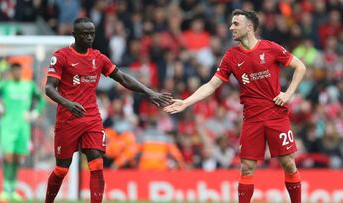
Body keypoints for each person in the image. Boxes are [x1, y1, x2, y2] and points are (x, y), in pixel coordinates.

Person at [164, 9, 306, 203]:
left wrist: (287, 94)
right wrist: (186, 102)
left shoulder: (270, 48)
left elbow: (300, 66)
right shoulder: (231, 56)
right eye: (231, 24)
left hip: (276, 115)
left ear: (249, 27)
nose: (231, 27)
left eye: (236, 24)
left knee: (289, 164)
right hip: (251, 118)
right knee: (247, 168)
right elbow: (212, 85)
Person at [44, 17, 172, 203]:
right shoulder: (62, 56)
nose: (89, 37)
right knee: (62, 169)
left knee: (96, 163)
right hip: (68, 118)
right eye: (85, 34)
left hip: (92, 118)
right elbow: (49, 88)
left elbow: (122, 78)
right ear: (74, 35)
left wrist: (150, 93)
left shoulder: (98, 58)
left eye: (92, 34)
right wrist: (68, 103)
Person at [0, 63, 46, 201]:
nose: (17, 73)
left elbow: (41, 99)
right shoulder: (5, 85)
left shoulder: (28, 86)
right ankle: (6, 189)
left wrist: (34, 113)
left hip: (23, 127)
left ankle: (13, 189)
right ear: (11, 72)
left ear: (21, 71)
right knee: (8, 156)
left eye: (19, 70)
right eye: (14, 70)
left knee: (17, 158)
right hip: (7, 126)